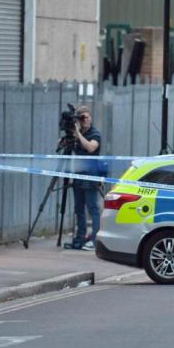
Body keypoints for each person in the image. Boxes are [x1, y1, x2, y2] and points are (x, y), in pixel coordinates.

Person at [67, 105, 102, 251]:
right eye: (82, 118)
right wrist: (68, 138)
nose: (85, 120)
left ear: (90, 118)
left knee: (93, 208)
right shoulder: (77, 134)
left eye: (87, 117)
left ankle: (95, 240)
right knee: (78, 208)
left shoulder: (95, 134)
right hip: (78, 175)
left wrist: (78, 134)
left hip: (91, 175)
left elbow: (90, 147)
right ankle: (80, 237)